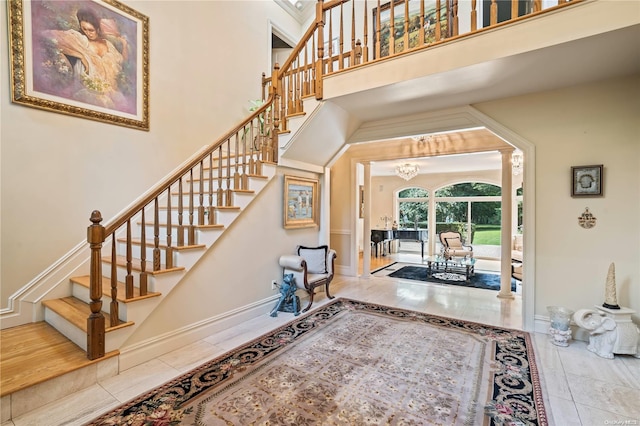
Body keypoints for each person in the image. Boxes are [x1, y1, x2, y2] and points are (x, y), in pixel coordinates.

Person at [42, 8, 129, 111]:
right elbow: (47, 35)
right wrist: (82, 56)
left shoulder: (108, 44)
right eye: (84, 29)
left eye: (91, 30)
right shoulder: (80, 40)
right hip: (91, 91)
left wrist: (124, 45)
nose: (88, 33)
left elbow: (122, 62)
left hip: (112, 92)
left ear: (97, 28)